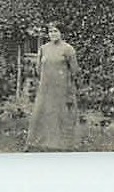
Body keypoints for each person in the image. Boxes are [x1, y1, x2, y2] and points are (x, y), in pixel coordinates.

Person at [26, 23, 80, 151]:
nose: (53, 34)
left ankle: (61, 145)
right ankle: (39, 142)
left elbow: (75, 70)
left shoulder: (68, 49)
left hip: (61, 87)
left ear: (61, 33)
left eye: (56, 31)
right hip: (45, 87)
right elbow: (39, 68)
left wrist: (69, 88)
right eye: (50, 32)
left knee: (61, 114)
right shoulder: (43, 48)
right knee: (43, 112)